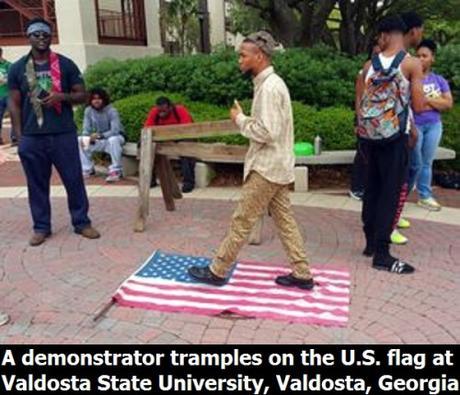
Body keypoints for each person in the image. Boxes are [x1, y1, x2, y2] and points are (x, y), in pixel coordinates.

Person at [188, 31, 314, 290]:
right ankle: (302, 273)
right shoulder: (270, 84)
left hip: (267, 167)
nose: (239, 60)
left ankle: (218, 269)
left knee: (242, 220)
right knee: (284, 220)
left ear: (260, 55)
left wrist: (239, 119)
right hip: (276, 166)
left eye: (243, 55)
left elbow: (267, 132)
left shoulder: (269, 87)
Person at [8, 18, 100, 246]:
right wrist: (20, 136)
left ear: (51, 37)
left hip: (62, 133)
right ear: (28, 37)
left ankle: (81, 222)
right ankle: (41, 227)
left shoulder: (66, 64)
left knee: (73, 179)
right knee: (36, 184)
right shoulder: (17, 68)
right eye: (36, 34)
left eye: (45, 34)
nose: (41, 38)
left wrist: (62, 97)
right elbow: (14, 103)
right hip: (32, 136)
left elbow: (83, 95)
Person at [356, 16, 425, 274]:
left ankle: (370, 244)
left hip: (369, 137)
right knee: (390, 192)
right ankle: (383, 254)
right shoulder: (411, 64)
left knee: (371, 188)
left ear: (384, 36)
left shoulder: (368, 67)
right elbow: (417, 106)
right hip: (395, 139)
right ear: (401, 33)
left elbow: (362, 104)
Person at [408, 39, 453, 211]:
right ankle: (402, 193)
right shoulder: (410, 78)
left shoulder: (439, 80)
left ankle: (424, 195)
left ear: (432, 58)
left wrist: (425, 99)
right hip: (415, 126)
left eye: (424, 56)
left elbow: (448, 104)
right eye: (418, 55)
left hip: (434, 125)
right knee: (415, 163)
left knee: (427, 162)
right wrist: (436, 101)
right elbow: (412, 105)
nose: (420, 59)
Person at [144, 96, 196, 193]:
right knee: (148, 149)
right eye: (159, 111)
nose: (161, 114)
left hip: (182, 137)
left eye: (164, 111)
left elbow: (188, 129)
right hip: (163, 139)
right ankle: (150, 180)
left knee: (185, 150)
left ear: (170, 107)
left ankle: (189, 182)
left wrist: (173, 137)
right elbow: (148, 128)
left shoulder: (180, 110)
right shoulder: (154, 112)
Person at [78, 88, 125, 182]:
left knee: (113, 140)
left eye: (99, 98)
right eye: (94, 99)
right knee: (81, 139)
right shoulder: (88, 111)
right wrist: (88, 137)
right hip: (101, 140)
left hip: (116, 138)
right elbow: (86, 129)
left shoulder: (112, 111)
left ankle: (116, 171)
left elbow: (115, 130)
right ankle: (88, 169)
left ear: (104, 99)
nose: (96, 101)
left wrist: (100, 135)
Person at [0, 47, 15, 145]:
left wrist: (5, 80)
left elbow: (14, 79)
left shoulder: (9, 65)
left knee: (14, 116)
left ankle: (15, 137)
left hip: (9, 94)